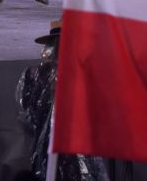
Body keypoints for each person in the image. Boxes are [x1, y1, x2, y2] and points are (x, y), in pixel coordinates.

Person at [16, 21, 109, 180]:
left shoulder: (33, 74)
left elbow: (27, 109)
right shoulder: (84, 73)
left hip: (49, 146)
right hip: (76, 146)